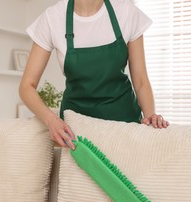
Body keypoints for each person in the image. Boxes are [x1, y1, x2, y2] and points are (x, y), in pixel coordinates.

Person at [19, 0, 169, 149]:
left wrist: (150, 119)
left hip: (124, 127)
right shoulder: (52, 18)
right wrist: (51, 120)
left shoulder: (127, 12)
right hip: (76, 134)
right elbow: (26, 86)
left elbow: (141, 81)